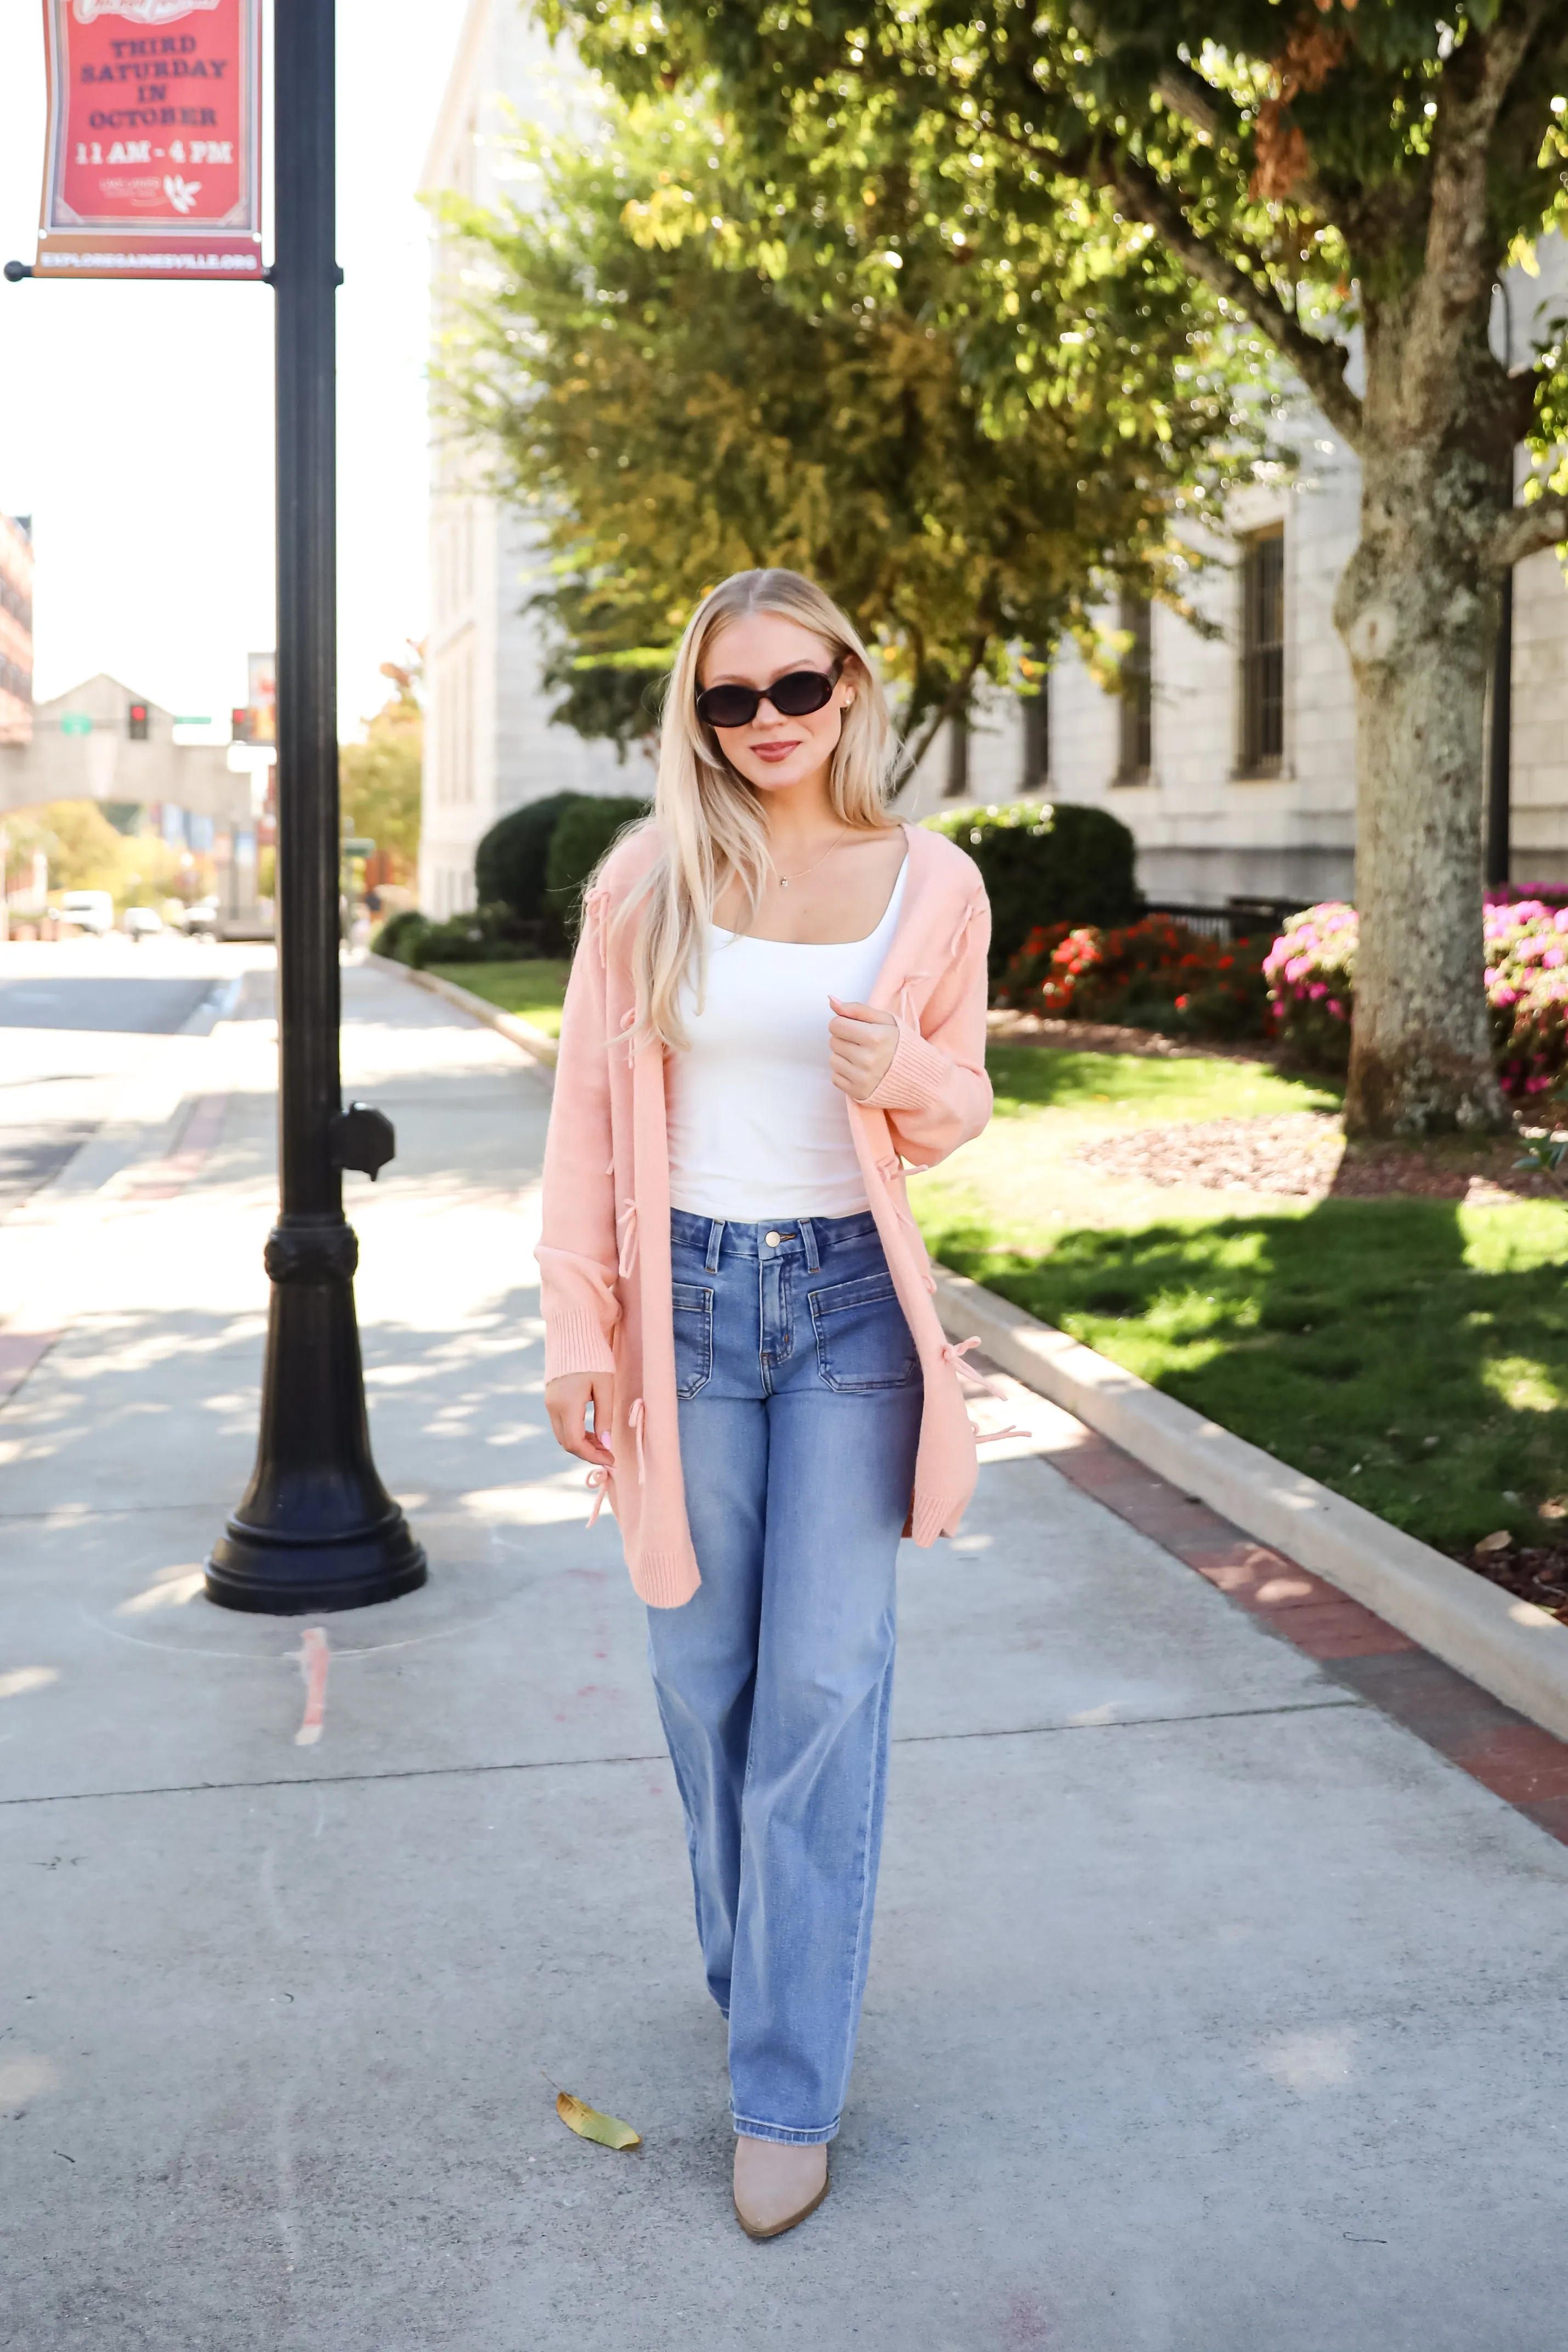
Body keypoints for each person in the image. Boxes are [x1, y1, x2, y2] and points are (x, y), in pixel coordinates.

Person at [539, 568, 993, 2239]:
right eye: (730, 703)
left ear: (853, 685)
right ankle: (755, 1952)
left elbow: (963, 1103)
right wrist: (579, 1331)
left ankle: (786, 2079)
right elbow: (589, 1121)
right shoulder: (650, 879)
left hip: (850, 1314)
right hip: (693, 1314)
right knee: (697, 1670)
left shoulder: (933, 885)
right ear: (699, 719)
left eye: (795, 689)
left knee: (823, 1679)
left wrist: (912, 1080)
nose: (767, 726)